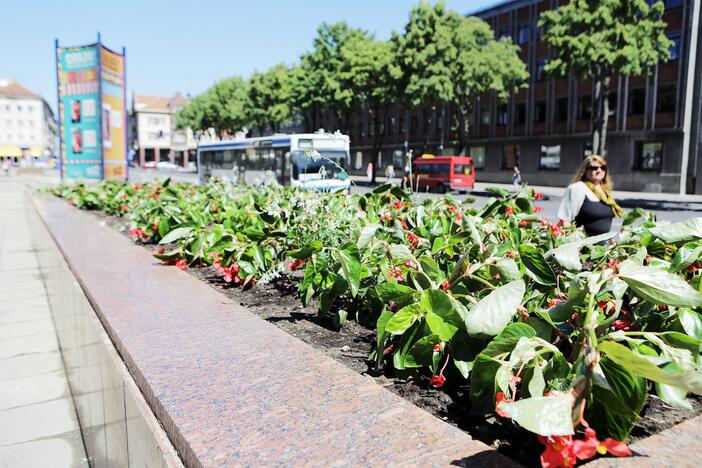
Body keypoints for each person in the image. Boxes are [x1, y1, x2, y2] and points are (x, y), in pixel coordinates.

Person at [557, 155, 626, 236]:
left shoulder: (605, 191)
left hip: (603, 245)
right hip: (583, 245)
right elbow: (565, 220)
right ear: (585, 170)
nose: (599, 170)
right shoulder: (577, 188)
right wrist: (569, 243)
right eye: (594, 168)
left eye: (603, 167)